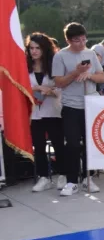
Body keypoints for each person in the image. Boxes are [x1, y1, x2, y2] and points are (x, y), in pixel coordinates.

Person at [52, 22, 104, 196]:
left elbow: (101, 77)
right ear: (68, 40)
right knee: (73, 144)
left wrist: (89, 75)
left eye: (83, 39)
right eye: (77, 40)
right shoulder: (60, 56)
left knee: (89, 143)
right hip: (70, 106)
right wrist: (76, 72)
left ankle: (87, 178)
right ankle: (72, 181)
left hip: (89, 105)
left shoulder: (90, 53)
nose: (81, 43)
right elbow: (59, 82)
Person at [26, 33, 64, 192]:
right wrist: (38, 88)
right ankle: (43, 177)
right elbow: (22, 87)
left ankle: (64, 174)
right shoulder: (25, 67)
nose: (34, 51)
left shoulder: (54, 64)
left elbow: (62, 86)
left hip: (54, 110)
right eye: (31, 48)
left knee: (58, 144)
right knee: (38, 146)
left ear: (45, 49)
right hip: (34, 113)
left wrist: (51, 91)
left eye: (37, 48)